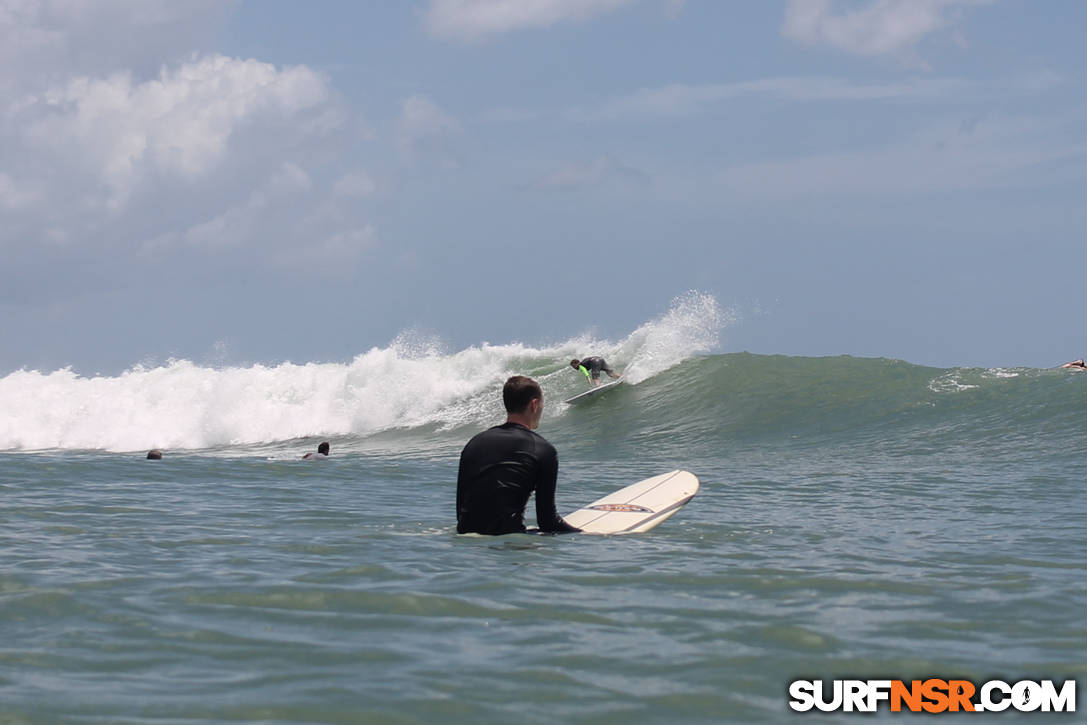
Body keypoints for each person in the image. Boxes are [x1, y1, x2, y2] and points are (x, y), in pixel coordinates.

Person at [456, 375, 580, 535]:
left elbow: (461, 512)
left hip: (467, 539)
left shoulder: (474, 443)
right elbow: (548, 522)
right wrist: (585, 535)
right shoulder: (542, 449)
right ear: (534, 405)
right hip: (509, 543)